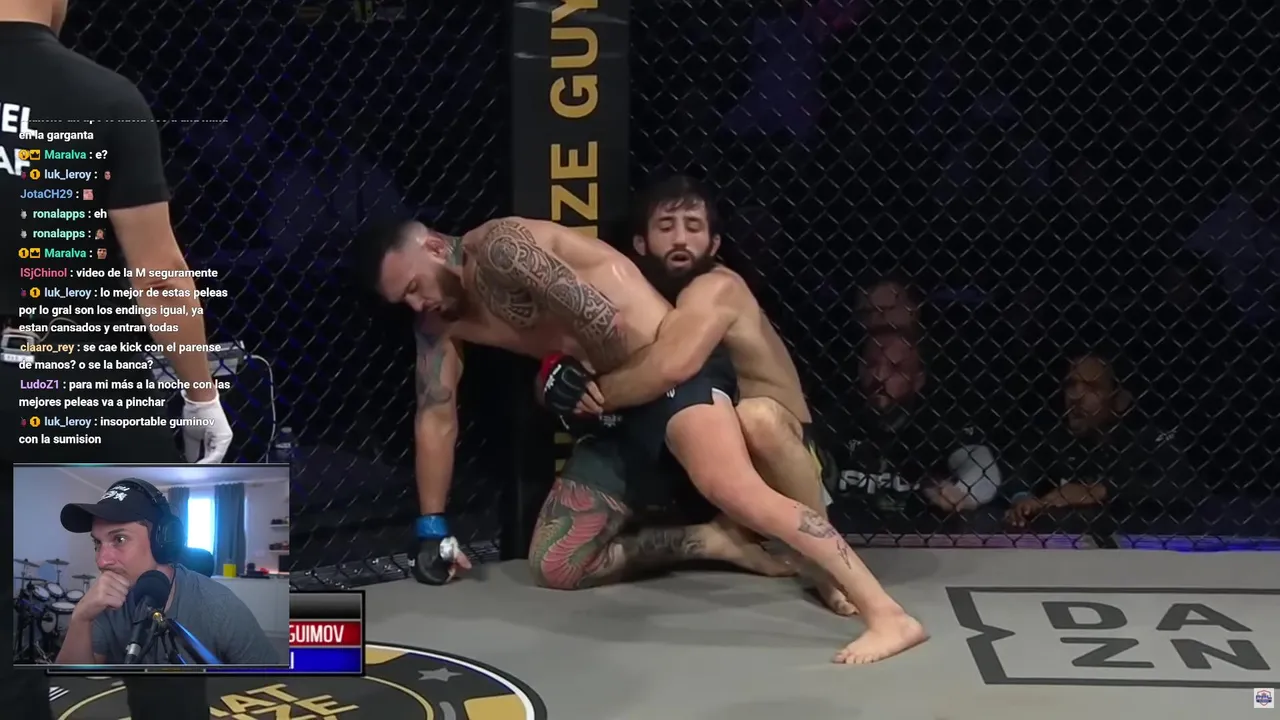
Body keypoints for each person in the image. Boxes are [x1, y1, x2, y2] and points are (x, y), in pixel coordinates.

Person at [357, 213, 925, 663]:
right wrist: (431, 526)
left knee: (736, 490)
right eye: (403, 301)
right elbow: (435, 414)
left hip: (662, 376)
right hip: (614, 406)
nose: (417, 304)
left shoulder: (503, 248)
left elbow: (599, 316)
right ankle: (719, 543)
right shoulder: (438, 323)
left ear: (434, 246)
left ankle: (887, 615)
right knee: (556, 563)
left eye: (414, 287)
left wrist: (567, 374)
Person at [591, 174, 912, 625]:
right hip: (719, 460)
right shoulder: (645, 295)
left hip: (793, 456)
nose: (681, 238)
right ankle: (721, 540)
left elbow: (671, 366)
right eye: (666, 226)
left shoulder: (716, 287)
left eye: (693, 226)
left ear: (714, 243)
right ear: (641, 243)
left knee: (756, 416)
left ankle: (828, 567)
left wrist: (595, 395)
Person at [0, 0, 233, 464]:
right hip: (68, 375)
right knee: (128, 505)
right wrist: (201, 396)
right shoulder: (105, 97)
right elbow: (159, 276)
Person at [55, 478, 280, 667]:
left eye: (119, 539)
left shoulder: (221, 607)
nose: (101, 560)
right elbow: (76, 687)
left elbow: (271, 687)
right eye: (97, 543)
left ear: (162, 541)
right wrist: (80, 619)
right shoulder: (105, 603)